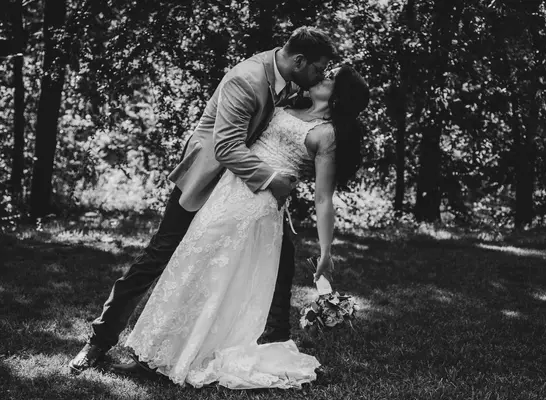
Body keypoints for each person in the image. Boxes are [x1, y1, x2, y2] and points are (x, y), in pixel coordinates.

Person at [68, 26, 336, 373]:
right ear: (299, 61)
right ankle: (98, 341)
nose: (320, 76)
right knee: (158, 256)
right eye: (318, 69)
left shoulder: (289, 80)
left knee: (281, 259)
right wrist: (273, 179)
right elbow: (226, 146)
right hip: (206, 180)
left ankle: (277, 346)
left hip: (244, 192)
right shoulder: (247, 79)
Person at [116, 64, 370, 389]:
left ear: (338, 96)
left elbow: (323, 198)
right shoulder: (289, 102)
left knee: (216, 274)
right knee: (191, 264)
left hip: (257, 206)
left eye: (331, 77)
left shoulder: (327, 134)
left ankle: (184, 354)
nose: (323, 75)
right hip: (229, 188)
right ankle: (156, 353)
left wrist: (325, 251)